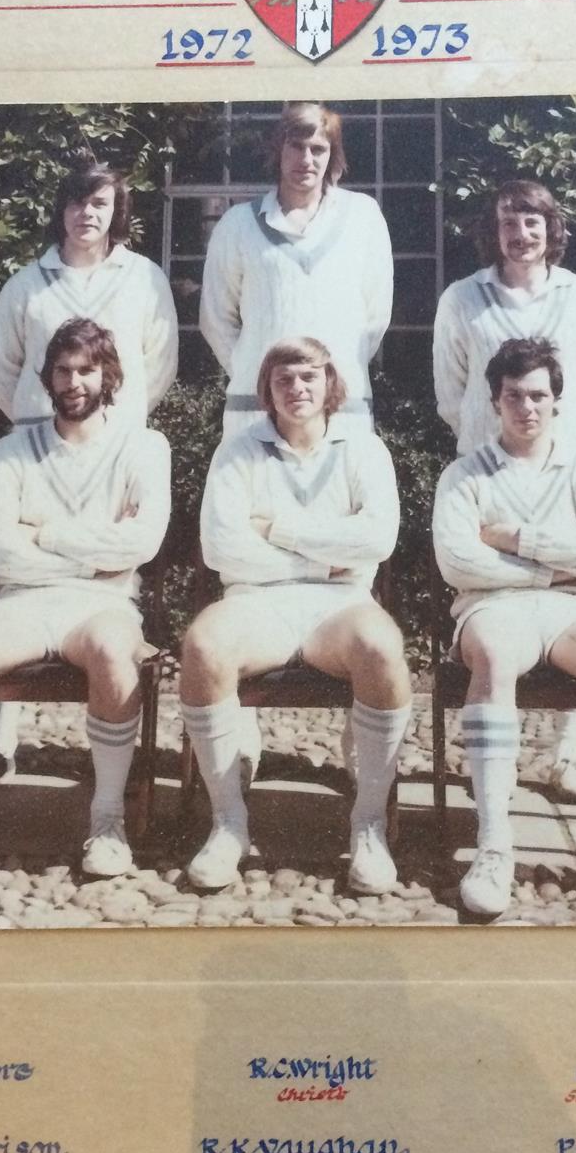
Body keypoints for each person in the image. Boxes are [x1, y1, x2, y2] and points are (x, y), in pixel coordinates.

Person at [0, 316, 170, 882]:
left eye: (87, 369)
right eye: (63, 370)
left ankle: (107, 820)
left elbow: (142, 543)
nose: (75, 381)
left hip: (105, 602)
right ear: (47, 378)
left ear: (109, 376)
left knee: (111, 649)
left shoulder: (144, 447)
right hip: (22, 601)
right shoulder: (10, 451)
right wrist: (97, 551)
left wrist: (46, 533)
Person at [431, 337, 576, 920]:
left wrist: (518, 540)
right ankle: (493, 847)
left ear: (557, 402)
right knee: (489, 650)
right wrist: (561, 565)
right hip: (496, 608)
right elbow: (457, 561)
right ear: (495, 401)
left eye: (538, 395)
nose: (526, 407)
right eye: (514, 396)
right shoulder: (466, 474)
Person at [180, 337, 411, 894]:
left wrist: (278, 530)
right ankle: (228, 822)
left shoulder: (363, 450)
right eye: (284, 379)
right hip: (256, 602)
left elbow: (377, 540)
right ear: (267, 390)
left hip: (341, 604)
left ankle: (369, 824)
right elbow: (221, 548)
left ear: (330, 383)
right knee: (205, 646)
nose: (297, 389)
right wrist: (326, 558)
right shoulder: (237, 451)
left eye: (308, 377)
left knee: (381, 647)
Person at [0, 158, 178, 773]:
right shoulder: (26, 283)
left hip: (114, 450)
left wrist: (113, 435)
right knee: (17, 584)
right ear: (61, 209)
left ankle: (109, 756)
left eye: (99, 203)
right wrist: (42, 421)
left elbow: (160, 362)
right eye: (76, 202)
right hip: (40, 449)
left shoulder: (144, 278)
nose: (86, 214)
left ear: (116, 211)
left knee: (107, 584)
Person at [432, 178, 576, 806]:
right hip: (490, 474)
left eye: (533, 222)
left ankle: (566, 757)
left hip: (564, 469)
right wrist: (492, 440)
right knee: (498, 608)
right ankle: (497, 755)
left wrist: (566, 447)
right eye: (509, 223)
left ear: (551, 229)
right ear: (494, 232)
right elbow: (451, 391)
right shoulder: (464, 298)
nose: (521, 234)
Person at [199, 101, 394, 438]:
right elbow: (216, 319)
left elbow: (374, 318)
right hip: (256, 413)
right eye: (296, 147)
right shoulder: (237, 224)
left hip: (342, 410)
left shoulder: (363, 216)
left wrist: (332, 375)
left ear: (332, 154)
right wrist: (260, 376)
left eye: (318, 149)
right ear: (279, 150)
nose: (306, 160)